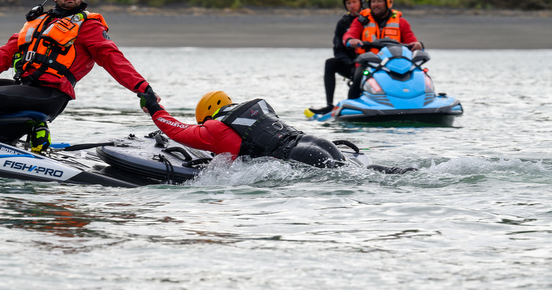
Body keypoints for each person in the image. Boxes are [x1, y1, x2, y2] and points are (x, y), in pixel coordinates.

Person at [0, 0, 157, 154]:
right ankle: (8, 135)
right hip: (28, 87)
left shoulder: (88, 26)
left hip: (52, 95)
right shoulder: (38, 23)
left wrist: (143, 89)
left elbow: (114, 60)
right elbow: (3, 54)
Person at [138, 90, 416, 174]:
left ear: (207, 114)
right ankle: (406, 172)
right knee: (357, 171)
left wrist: (154, 108)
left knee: (345, 178)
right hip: (316, 142)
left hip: (299, 156)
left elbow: (177, 131)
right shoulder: (254, 110)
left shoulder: (215, 127)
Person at [342, 0, 423, 99]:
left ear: (388, 2)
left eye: (379, 1)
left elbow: (411, 40)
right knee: (359, 74)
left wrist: (417, 44)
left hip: (395, 62)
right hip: (368, 62)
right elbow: (349, 34)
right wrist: (351, 40)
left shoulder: (401, 22)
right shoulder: (360, 21)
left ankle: (423, 96)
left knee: (419, 72)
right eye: (373, 1)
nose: (376, 4)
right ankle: (352, 101)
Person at [307, 0, 365, 115]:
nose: (352, 6)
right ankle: (329, 105)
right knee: (330, 63)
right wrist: (350, 64)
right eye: (348, 3)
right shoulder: (342, 23)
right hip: (350, 64)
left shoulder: (370, 19)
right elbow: (338, 50)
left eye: (354, 2)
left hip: (368, 64)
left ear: (361, 2)